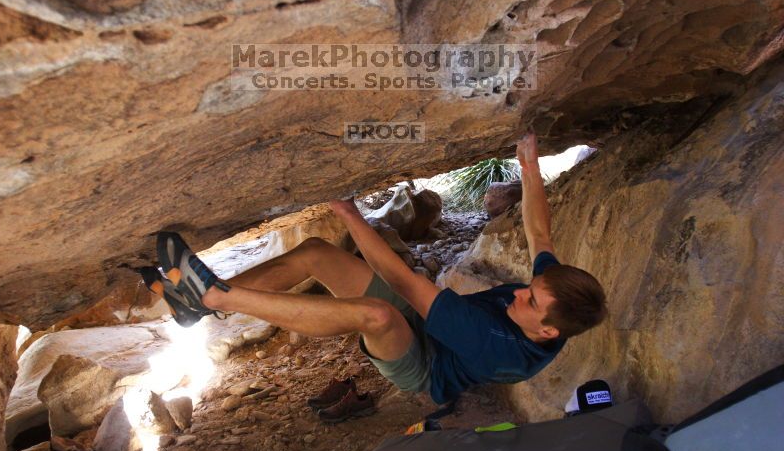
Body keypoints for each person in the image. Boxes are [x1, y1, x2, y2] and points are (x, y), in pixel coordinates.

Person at [146, 133, 607, 414]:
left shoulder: (497, 343)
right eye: (529, 287)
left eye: (529, 301)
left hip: (426, 364)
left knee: (377, 316)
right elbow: (541, 236)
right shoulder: (556, 298)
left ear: (546, 330)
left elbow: (407, 283)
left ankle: (216, 299)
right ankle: (190, 305)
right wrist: (529, 165)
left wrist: (350, 214)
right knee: (317, 253)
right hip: (432, 321)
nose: (516, 294)